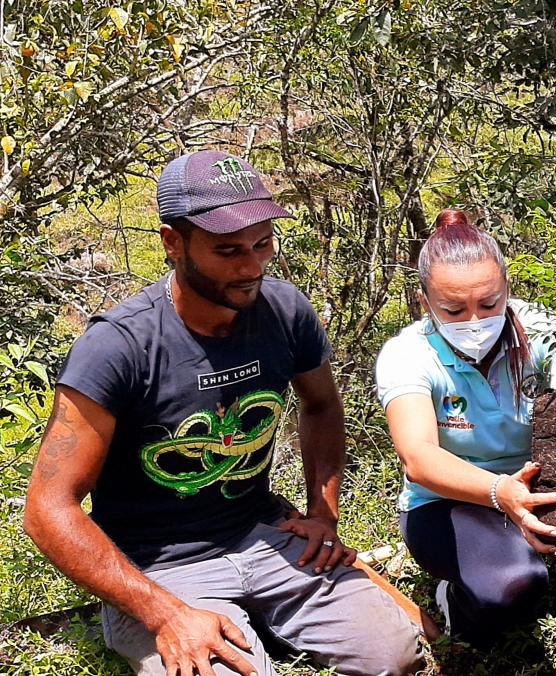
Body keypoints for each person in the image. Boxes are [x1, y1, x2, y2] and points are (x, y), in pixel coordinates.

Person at [23, 150, 423, 676]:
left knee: (394, 657)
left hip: (260, 531)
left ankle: (265, 620)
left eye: (262, 244)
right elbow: (47, 508)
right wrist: (163, 613)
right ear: (173, 243)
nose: (251, 266)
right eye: (228, 250)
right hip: (158, 563)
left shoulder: (284, 312)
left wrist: (323, 513)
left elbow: (321, 404)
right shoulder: (119, 347)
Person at [374, 209, 556, 664]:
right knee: (511, 587)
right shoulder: (407, 355)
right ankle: (460, 603)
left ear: (507, 290)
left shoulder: (541, 330)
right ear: (423, 301)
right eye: (453, 309)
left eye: (489, 304)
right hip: (448, 500)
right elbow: (419, 458)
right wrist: (499, 491)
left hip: (536, 483)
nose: (475, 319)